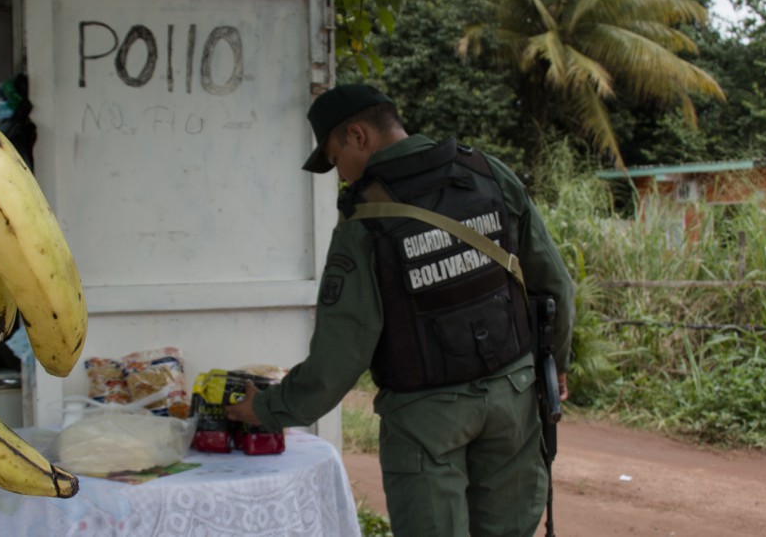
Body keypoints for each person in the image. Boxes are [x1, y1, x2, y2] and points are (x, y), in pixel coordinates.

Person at [225, 83, 574, 537]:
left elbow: (341, 355)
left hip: (426, 419)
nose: (341, 175)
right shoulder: (487, 172)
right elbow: (556, 283)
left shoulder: (363, 222)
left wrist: (269, 408)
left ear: (358, 135)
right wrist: (555, 365)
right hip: (514, 397)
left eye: (335, 159)